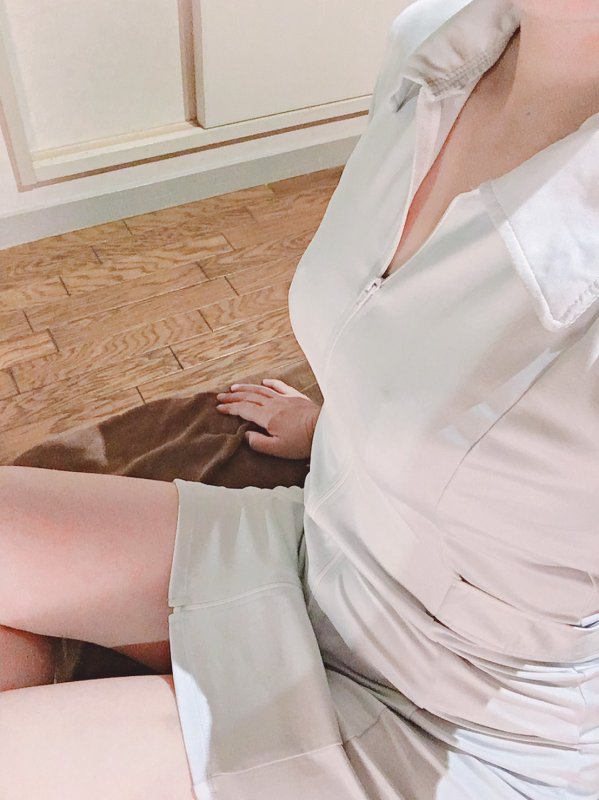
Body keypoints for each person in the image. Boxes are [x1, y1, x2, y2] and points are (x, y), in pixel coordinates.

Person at [1, 0, 598, 797]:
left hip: (456, 726)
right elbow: (416, 335)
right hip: (319, 551)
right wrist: (338, 426)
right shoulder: (438, 46)